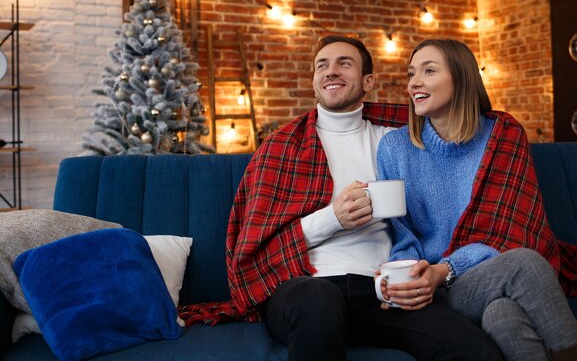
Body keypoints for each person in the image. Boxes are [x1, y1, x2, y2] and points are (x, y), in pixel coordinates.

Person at [180, 35, 503, 361]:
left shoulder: (398, 140)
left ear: (368, 81)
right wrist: (333, 218)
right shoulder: (281, 147)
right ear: (314, 83)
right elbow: (255, 246)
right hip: (305, 287)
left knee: (472, 347)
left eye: (344, 63)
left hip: (382, 290)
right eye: (322, 65)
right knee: (318, 300)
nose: (331, 71)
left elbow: (458, 147)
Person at [376, 38, 577, 361]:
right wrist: (415, 279)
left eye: (428, 71)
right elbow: (402, 235)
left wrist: (448, 267)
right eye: (411, 73)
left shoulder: (504, 135)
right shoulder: (394, 148)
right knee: (526, 265)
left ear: (461, 77)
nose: (414, 82)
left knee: (503, 316)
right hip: (444, 288)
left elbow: (513, 233)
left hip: (479, 271)